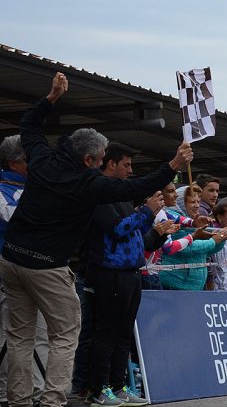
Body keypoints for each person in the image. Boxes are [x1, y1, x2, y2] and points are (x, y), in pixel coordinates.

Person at [0, 73, 193, 407]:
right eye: (102, 159)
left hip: (11, 258)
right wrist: (173, 164)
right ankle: (52, 401)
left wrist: (52, 97)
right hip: (47, 266)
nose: (104, 164)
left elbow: (29, 126)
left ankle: (18, 401)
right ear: (88, 160)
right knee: (65, 334)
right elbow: (133, 188)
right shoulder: (89, 184)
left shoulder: (43, 159)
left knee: (19, 336)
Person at [85, 143, 173, 406]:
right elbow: (117, 230)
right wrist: (146, 211)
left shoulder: (124, 195)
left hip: (132, 274)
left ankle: (118, 385)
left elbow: (136, 237)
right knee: (106, 333)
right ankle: (98, 389)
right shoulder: (99, 194)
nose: (131, 170)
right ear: (110, 164)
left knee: (124, 333)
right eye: (127, 164)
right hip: (108, 274)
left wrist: (156, 231)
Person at [0, 135, 49, 407]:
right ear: (14, 162)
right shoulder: (2, 189)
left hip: (38, 270)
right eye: (29, 159)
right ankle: (6, 394)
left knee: (40, 334)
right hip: (6, 274)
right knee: (9, 338)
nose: (35, 165)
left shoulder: (37, 188)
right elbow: (14, 220)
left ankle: (39, 394)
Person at [159, 185, 227, 290]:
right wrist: (213, 240)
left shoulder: (194, 222)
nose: (197, 206)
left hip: (193, 286)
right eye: (193, 202)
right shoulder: (171, 220)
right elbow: (185, 247)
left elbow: (208, 250)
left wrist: (222, 238)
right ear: (181, 203)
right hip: (176, 283)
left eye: (198, 202)